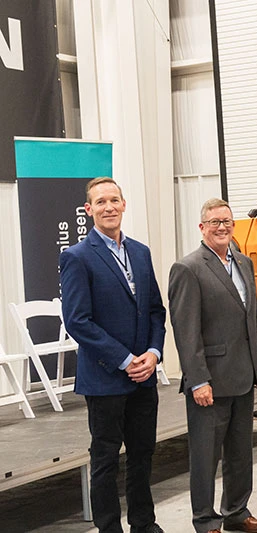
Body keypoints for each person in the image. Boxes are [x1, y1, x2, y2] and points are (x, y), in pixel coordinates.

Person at [60, 177, 166, 533]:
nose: (109, 207)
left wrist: (153, 353)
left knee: (142, 454)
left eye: (114, 200)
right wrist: (124, 359)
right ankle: (109, 528)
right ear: (88, 209)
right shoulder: (76, 257)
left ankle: (144, 524)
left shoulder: (140, 252)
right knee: (105, 459)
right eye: (101, 202)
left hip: (144, 376)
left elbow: (155, 310)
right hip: (105, 377)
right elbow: (78, 321)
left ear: (124, 204)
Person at [168, 198, 257, 533]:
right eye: (214, 222)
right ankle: (205, 520)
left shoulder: (243, 262)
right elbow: (186, 331)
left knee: (240, 452)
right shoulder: (188, 268)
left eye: (226, 221)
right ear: (202, 227)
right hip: (210, 381)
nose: (221, 227)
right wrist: (198, 380)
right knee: (205, 456)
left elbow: (252, 317)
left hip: (243, 374)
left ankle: (237, 513)